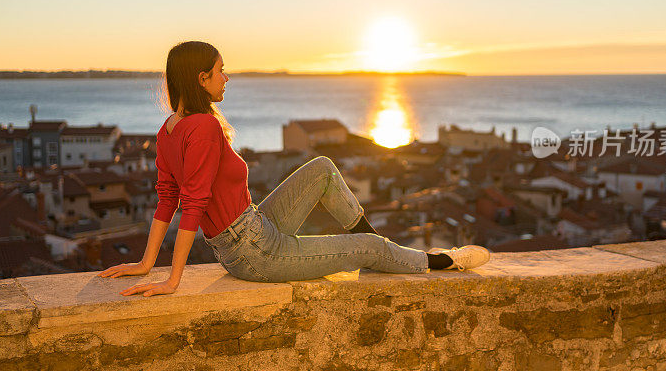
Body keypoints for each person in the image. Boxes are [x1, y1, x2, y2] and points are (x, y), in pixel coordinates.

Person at [99, 41, 491, 296]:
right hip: (255, 252)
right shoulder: (201, 127)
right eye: (220, 70)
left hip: (252, 228)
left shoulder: (168, 129)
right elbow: (192, 201)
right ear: (201, 79)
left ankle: (380, 251)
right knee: (369, 247)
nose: (227, 77)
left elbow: (167, 199)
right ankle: (440, 260)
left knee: (321, 167)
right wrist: (171, 279)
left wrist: (148, 262)